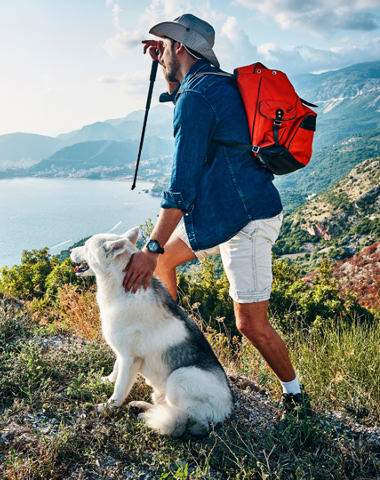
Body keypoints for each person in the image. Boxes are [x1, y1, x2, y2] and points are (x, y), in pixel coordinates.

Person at [122, 13, 311, 427]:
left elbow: (182, 183)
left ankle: (296, 397)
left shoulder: (198, 97)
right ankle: (170, 353)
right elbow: (189, 107)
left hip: (247, 217)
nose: (161, 51)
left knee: (251, 323)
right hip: (218, 211)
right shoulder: (215, 84)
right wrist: (166, 72)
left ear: (182, 49)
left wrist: (151, 247)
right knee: (170, 263)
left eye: (167, 47)